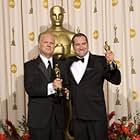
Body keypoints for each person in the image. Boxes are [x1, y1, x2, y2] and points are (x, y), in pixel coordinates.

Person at [66, 33, 121, 140]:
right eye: (77, 44)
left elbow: (116, 80)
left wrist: (111, 63)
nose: (81, 47)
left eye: (83, 43)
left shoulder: (100, 61)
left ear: (88, 44)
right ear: (73, 47)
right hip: (78, 117)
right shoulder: (67, 62)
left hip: (96, 116)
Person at [24, 32, 68, 140]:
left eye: (52, 43)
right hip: (39, 120)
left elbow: (66, 85)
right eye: (46, 42)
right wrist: (52, 87)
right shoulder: (29, 66)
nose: (49, 45)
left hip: (58, 120)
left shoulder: (62, 65)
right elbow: (30, 89)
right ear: (39, 44)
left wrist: (66, 91)